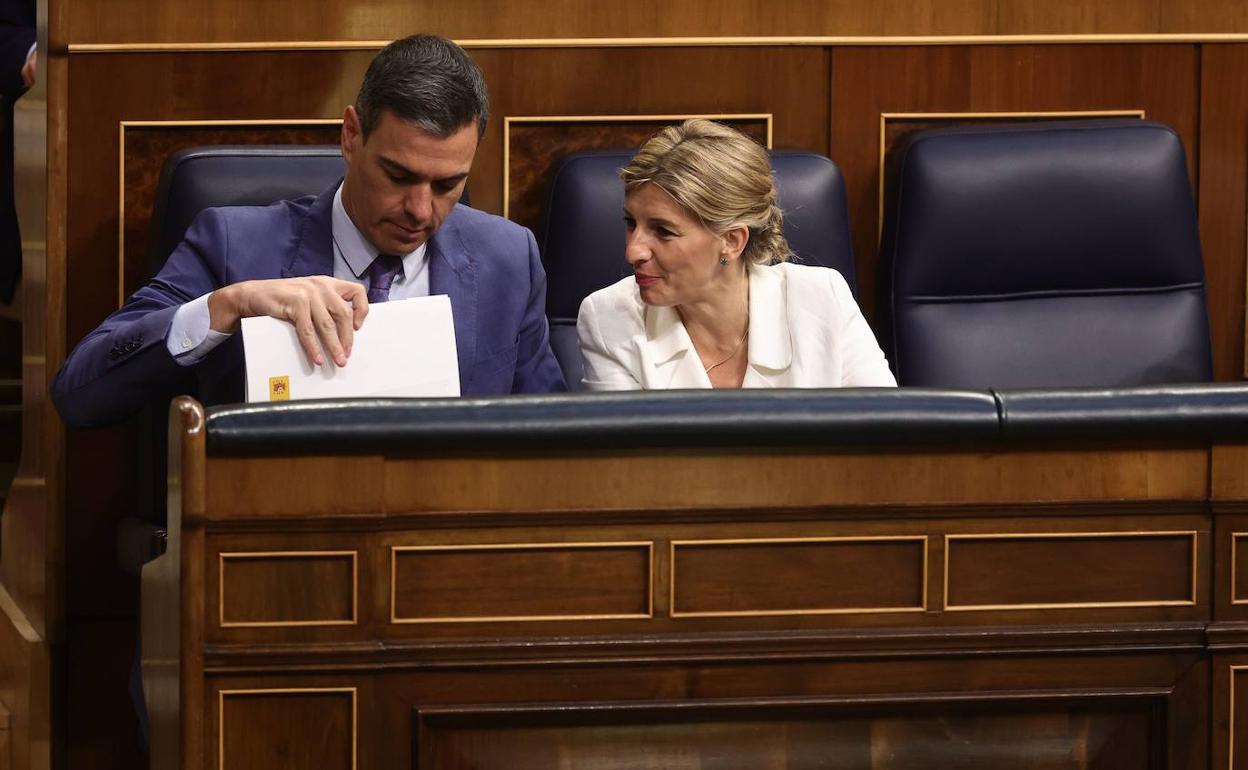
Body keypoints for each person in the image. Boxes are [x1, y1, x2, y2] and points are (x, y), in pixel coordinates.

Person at [52, 34, 565, 428]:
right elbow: (80, 395)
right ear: (350, 136)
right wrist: (231, 305)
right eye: (399, 175)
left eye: (448, 184)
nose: (419, 209)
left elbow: (552, 441)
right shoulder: (235, 247)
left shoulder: (507, 258)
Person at [576, 119, 896, 390]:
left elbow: (885, 439)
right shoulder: (609, 320)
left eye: (663, 231)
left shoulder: (822, 299)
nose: (633, 251)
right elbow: (627, 463)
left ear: (732, 240)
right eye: (631, 223)